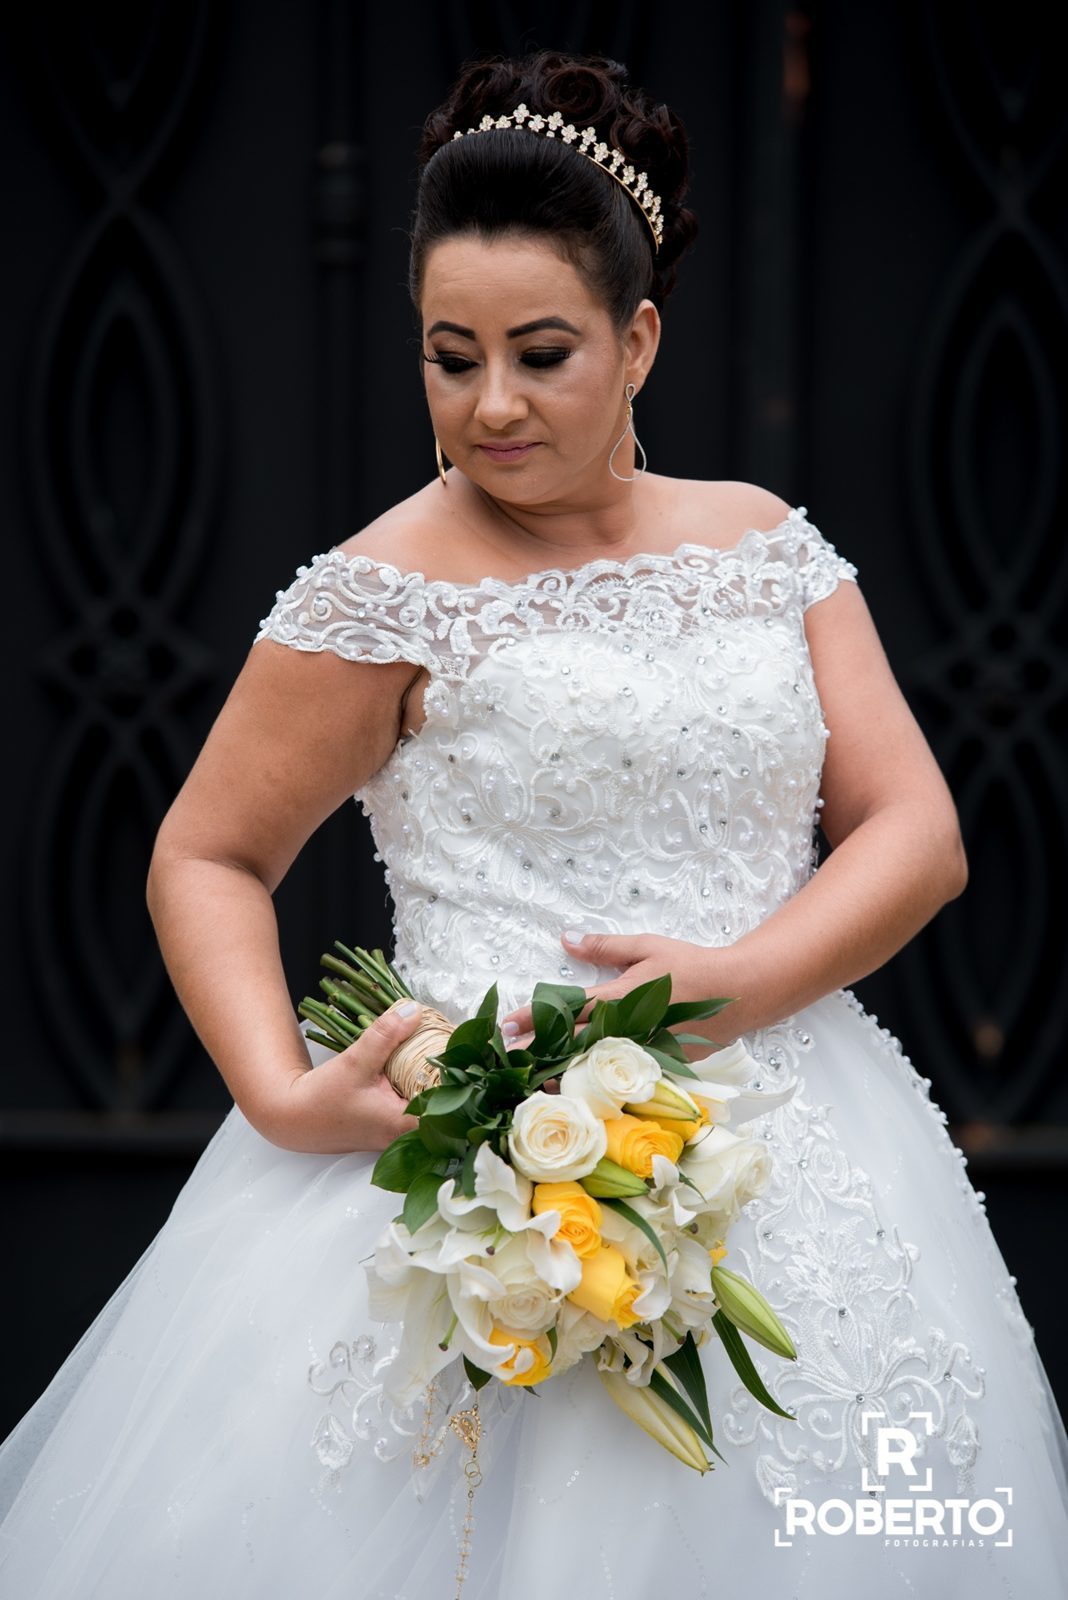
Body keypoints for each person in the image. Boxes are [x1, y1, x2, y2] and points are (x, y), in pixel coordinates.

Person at [1, 46, 1067, 1599]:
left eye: (541, 353)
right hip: (481, 1157)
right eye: (451, 358)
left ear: (638, 341)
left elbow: (917, 829)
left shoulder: (766, 547)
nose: (490, 404)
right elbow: (206, 854)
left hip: (807, 1153)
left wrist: (738, 983)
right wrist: (283, 1096)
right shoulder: (383, 594)